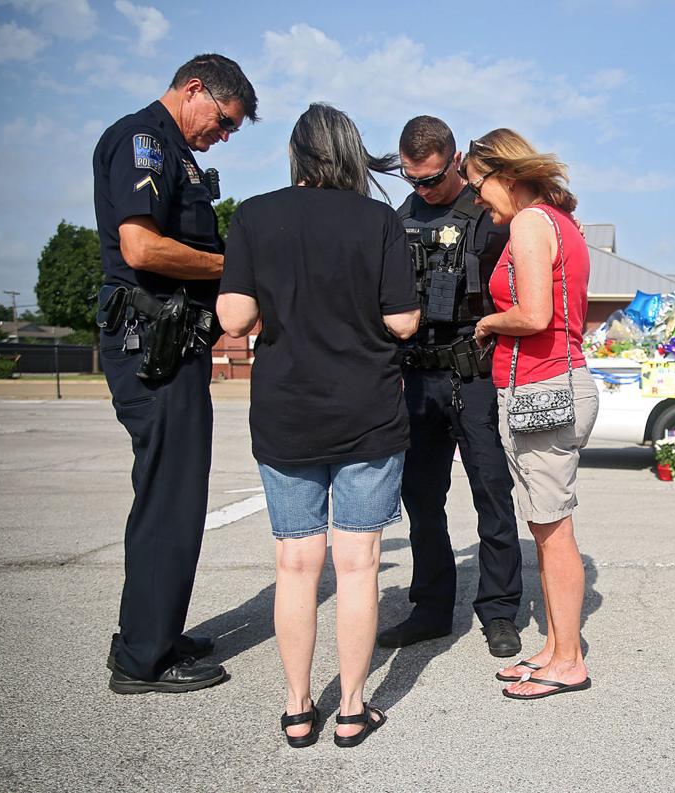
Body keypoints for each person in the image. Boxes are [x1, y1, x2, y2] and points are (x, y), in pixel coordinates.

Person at [217, 103, 419, 748]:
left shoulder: (254, 216)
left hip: (287, 411)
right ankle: (355, 708)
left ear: (297, 154)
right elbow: (404, 322)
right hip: (367, 410)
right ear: (352, 152)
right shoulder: (379, 220)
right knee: (358, 565)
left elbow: (234, 317)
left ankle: (298, 708)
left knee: (296, 565)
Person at [92, 53, 257, 695]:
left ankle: (154, 629)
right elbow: (140, 246)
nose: (224, 136)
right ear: (194, 90)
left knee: (175, 496)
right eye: (223, 121)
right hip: (150, 347)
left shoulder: (174, 151)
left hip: (172, 344)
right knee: (170, 498)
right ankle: (142, 659)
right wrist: (231, 267)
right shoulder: (143, 142)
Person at [376, 116, 523, 658]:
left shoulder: (490, 214)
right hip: (416, 376)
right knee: (421, 498)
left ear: (456, 159)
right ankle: (432, 608)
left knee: (490, 489)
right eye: (412, 179)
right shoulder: (400, 218)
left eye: (433, 178)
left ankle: (500, 610)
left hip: (472, 372)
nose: (423, 189)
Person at [462, 129, 598, 699]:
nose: (476, 199)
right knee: (545, 527)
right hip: (556, 382)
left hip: (543, 385)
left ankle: (569, 662)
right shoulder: (559, 223)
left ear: (508, 177)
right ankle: (555, 647)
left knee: (552, 527)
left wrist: (488, 323)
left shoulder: (528, 223)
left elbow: (536, 313)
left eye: (479, 185)